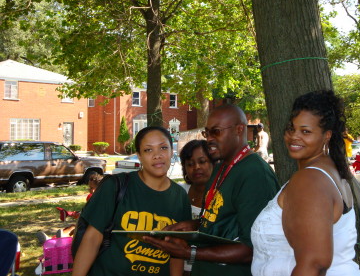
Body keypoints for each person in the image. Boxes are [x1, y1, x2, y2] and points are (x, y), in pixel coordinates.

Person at [143, 104, 280, 276]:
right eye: (207, 133)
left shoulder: (255, 174)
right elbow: (223, 222)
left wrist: (189, 253)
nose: (209, 139)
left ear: (239, 129)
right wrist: (193, 227)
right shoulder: (221, 167)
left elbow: (252, 249)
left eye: (216, 131)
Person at [251, 90, 360, 276]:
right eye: (291, 128)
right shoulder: (328, 171)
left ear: (327, 135)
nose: (294, 136)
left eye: (306, 131)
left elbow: (314, 264)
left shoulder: (310, 180)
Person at [72, 126, 191, 276]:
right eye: (148, 150)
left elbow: (177, 250)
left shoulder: (180, 197)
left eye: (163, 147)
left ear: (171, 152)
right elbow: (92, 239)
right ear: (139, 156)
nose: (157, 155)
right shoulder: (115, 186)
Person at [178, 139, 214, 275]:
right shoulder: (179, 193)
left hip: (208, 267)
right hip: (180, 267)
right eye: (190, 164)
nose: (196, 167)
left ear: (213, 162)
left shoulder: (222, 195)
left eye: (202, 161)